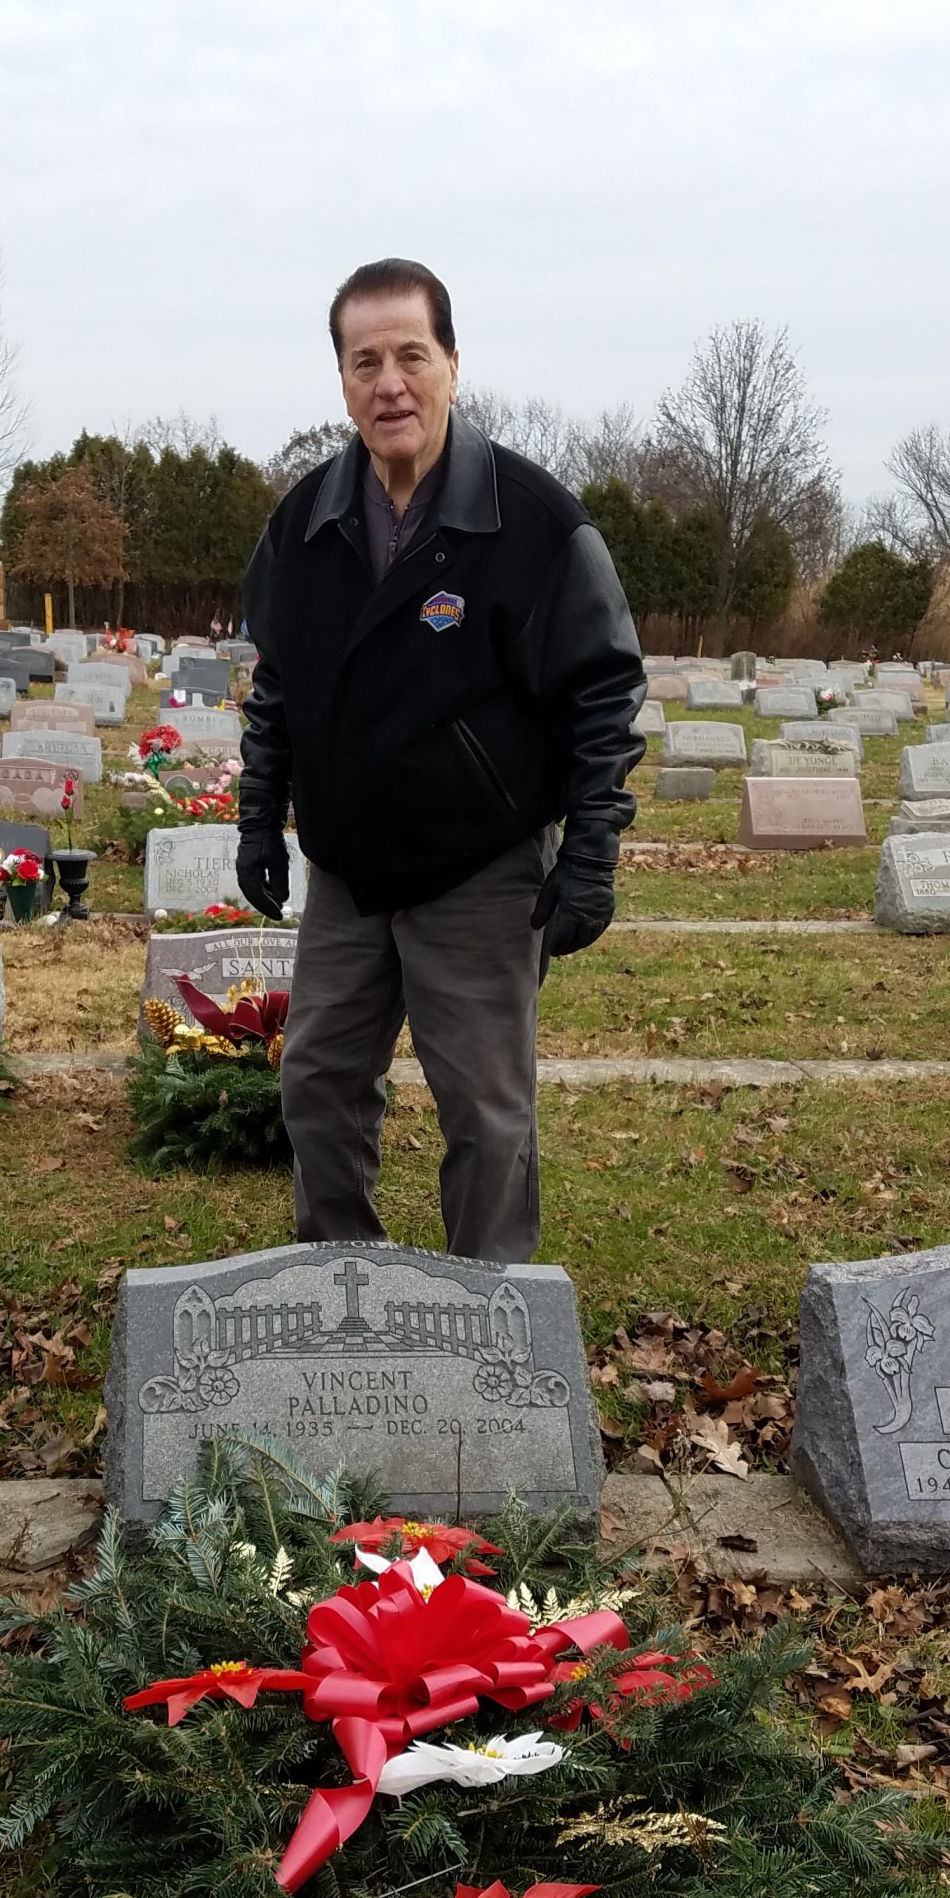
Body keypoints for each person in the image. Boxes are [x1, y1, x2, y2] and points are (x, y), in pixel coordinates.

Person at [237, 256, 644, 1265]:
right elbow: (278, 682)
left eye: (411, 355)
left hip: (478, 867)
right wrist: (260, 813)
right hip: (349, 871)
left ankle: (492, 1317)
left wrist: (590, 853)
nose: (390, 384)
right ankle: (341, 1284)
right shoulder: (305, 526)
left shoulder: (531, 522)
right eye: (364, 361)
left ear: (453, 365)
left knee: (487, 1117)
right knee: (318, 1084)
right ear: (341, 380)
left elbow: (603, 689)